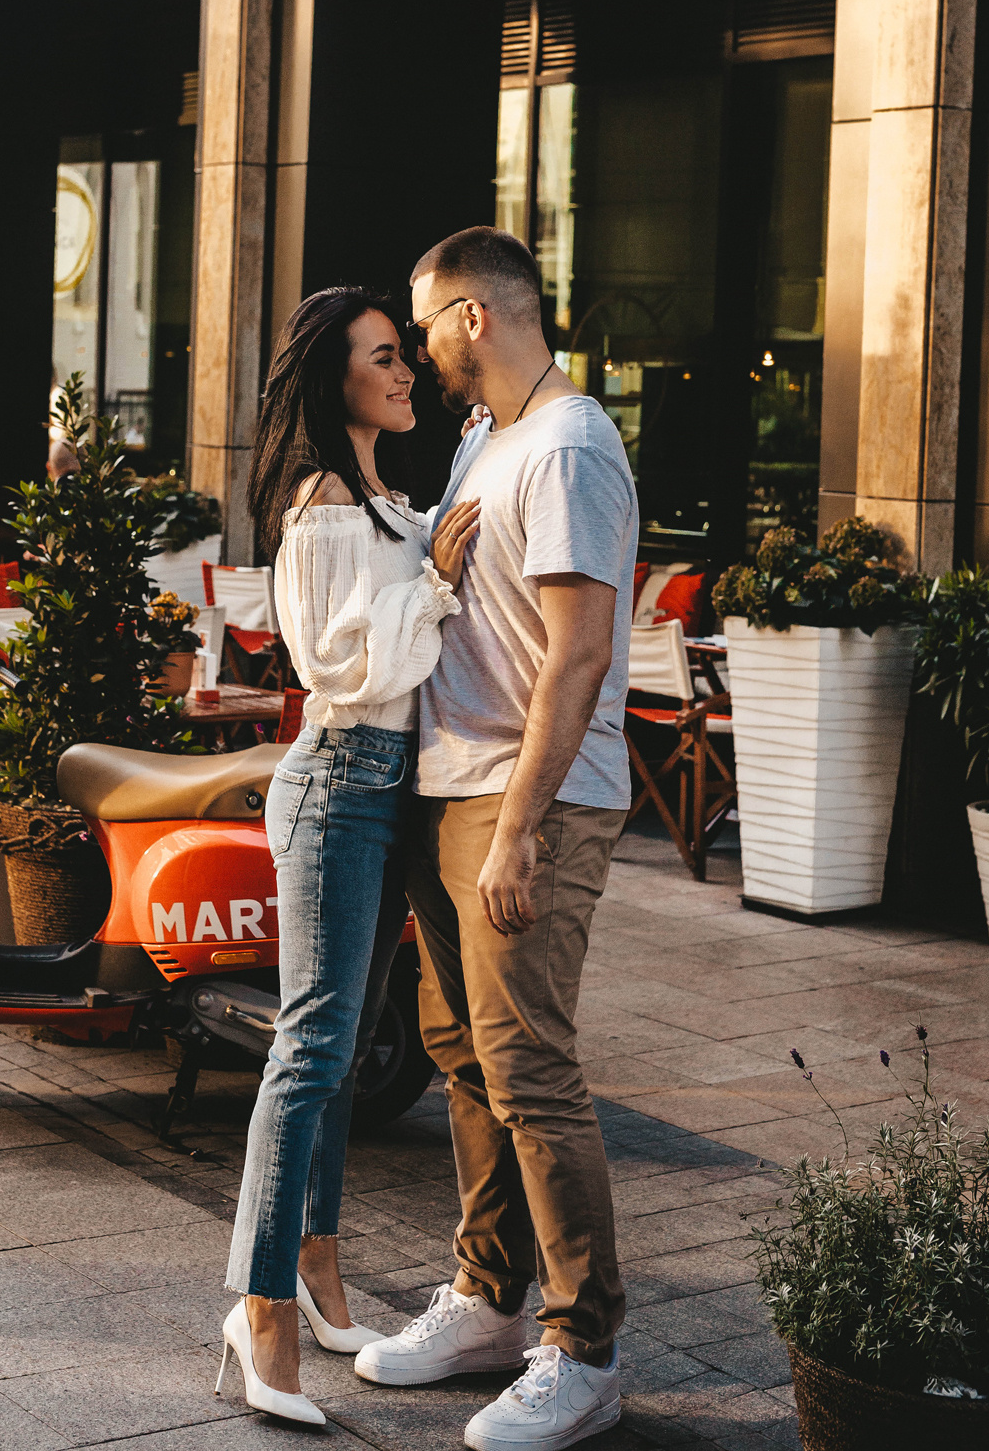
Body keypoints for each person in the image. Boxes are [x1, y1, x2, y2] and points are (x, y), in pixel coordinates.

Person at [354, 227, 639, 1451]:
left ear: (474, 313)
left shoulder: (570, 444)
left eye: (425, 324)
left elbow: (579, 652)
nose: (418, 349)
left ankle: (586, 1347)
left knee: (530, 1065)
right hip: (448, 778)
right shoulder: (484, 436)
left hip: (529, 795)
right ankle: (486, 1298)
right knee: (458, 1045)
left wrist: (519, 828)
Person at [218, 285, 481, 1426]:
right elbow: (344, 666)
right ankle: (261, 1301)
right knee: (311, 1049)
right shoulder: (324, 503)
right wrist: (434, 580)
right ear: (338, 379)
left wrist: (432, 557)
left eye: (405, 356)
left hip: (386, 792)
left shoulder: (383, 496)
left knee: (340, 1045)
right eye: (385, 357)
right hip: (336, 783)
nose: (406, 372)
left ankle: (319, 1268)